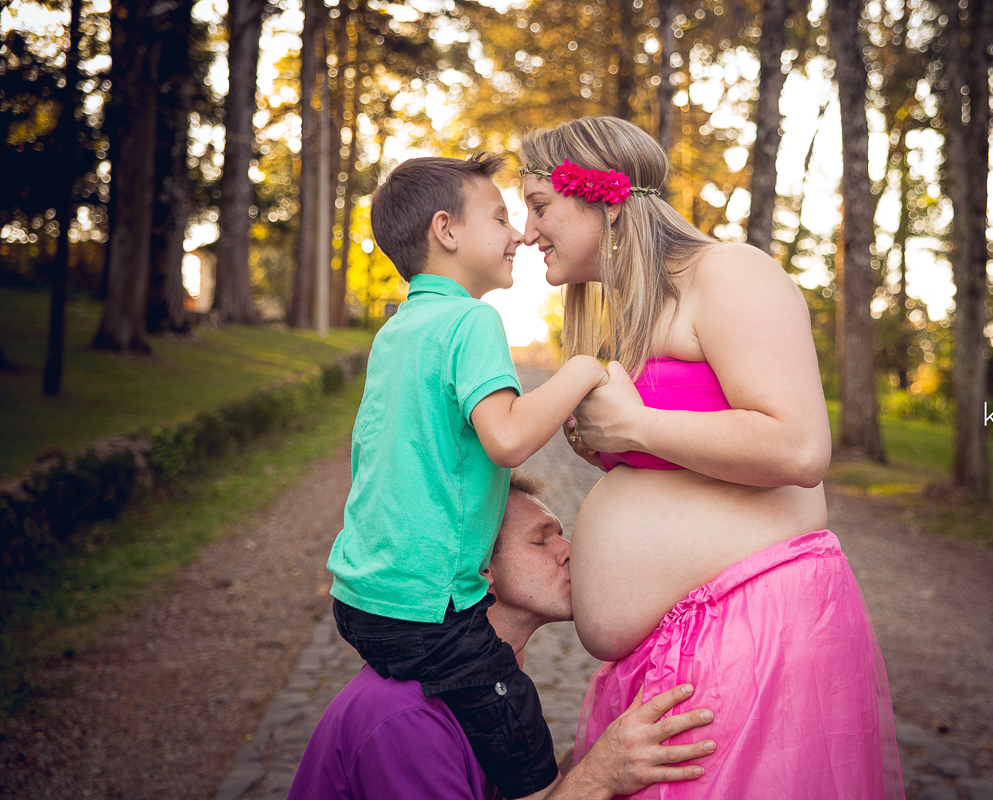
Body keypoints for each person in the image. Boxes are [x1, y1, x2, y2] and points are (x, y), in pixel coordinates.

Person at [519, 116, 905, 799]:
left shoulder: (728, 271)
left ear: (598, 197)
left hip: (750, 634)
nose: (527, 232)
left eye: (538, 206)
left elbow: (799, 447)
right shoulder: (632, 317)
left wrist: (636, 426)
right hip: (673, 648)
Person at [325, 154, 612, 800]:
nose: (519, 235)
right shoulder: (471, 321)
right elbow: (507, 437)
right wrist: (584, 371)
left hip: (360, 598)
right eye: (502, 217)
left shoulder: (398, 331)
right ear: (446, 231)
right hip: (426, 609)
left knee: (460, 714)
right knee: (523, 744)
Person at [291, 474, 717, 800]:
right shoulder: (405, 718)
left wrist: (595, 752)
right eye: (542, 539)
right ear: (480, 572)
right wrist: (597, 775)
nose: (570, 549)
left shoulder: (493, 691)